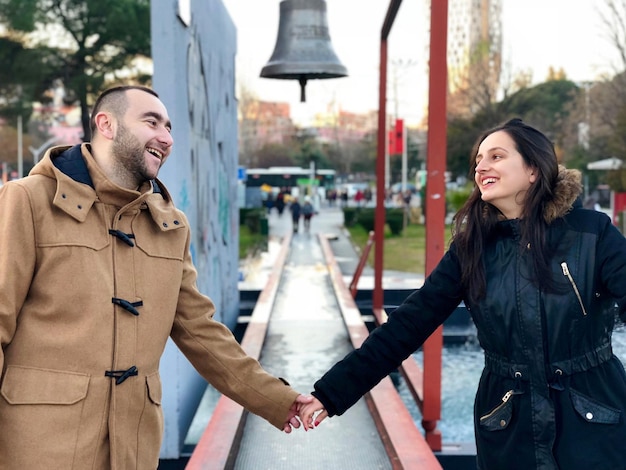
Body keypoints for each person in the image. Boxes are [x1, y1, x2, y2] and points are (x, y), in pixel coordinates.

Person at [0, 85, 311, 469]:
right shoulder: (28, 201)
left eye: (169, 127)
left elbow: (202, 333)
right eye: (152, 122)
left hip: (133, 449)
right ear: (106, 124)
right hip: (38, 447)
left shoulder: (170, 225)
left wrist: (278, 399)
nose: (166, 138)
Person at [300, 118, 626, 469]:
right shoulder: (471, 249)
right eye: (478, 161)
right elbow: (406, 326)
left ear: (533, 169)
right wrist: (329, 394)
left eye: (496, 157)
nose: (481, 167)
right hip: (509, 426)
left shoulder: (591, 234)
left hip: (592, 422)